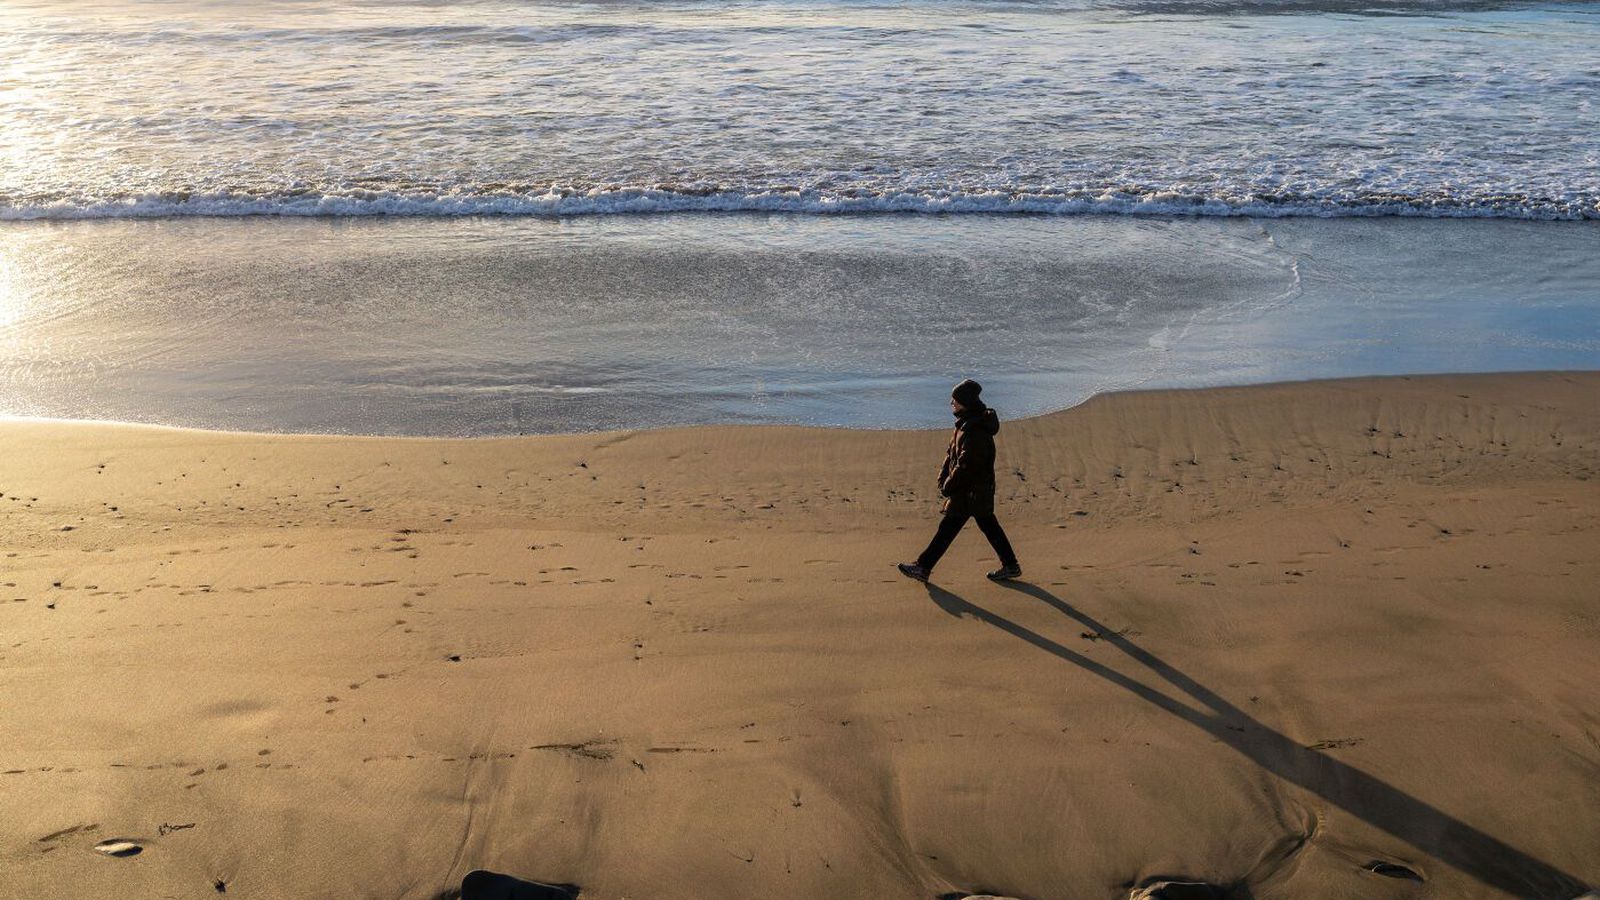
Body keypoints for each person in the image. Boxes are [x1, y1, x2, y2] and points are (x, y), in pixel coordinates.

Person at [898, 379, 1021, 583]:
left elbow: (966, 466)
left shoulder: (975, 430)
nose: (951, 403)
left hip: (972, 491)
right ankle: (1011, 565)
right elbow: (951, 455)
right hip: (970, 491)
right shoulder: (965, 423)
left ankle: (923, 567)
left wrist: (949, 485)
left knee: (950, 527)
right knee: (985, 526)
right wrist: (943, 476)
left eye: (955, 400)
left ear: (965, 402)